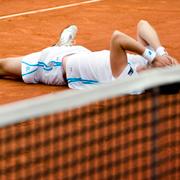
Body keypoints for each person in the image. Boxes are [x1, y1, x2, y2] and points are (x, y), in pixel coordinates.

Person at [0, 20, 178, 90]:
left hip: (53, 66)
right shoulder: (144, 63)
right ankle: (62, 45)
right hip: (81, 54)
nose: (171, 62)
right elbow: (142, 25)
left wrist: (154, 56)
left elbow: (118, 38)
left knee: (3, 66)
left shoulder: (128, 80)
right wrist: (161, 51)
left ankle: (59, 47)